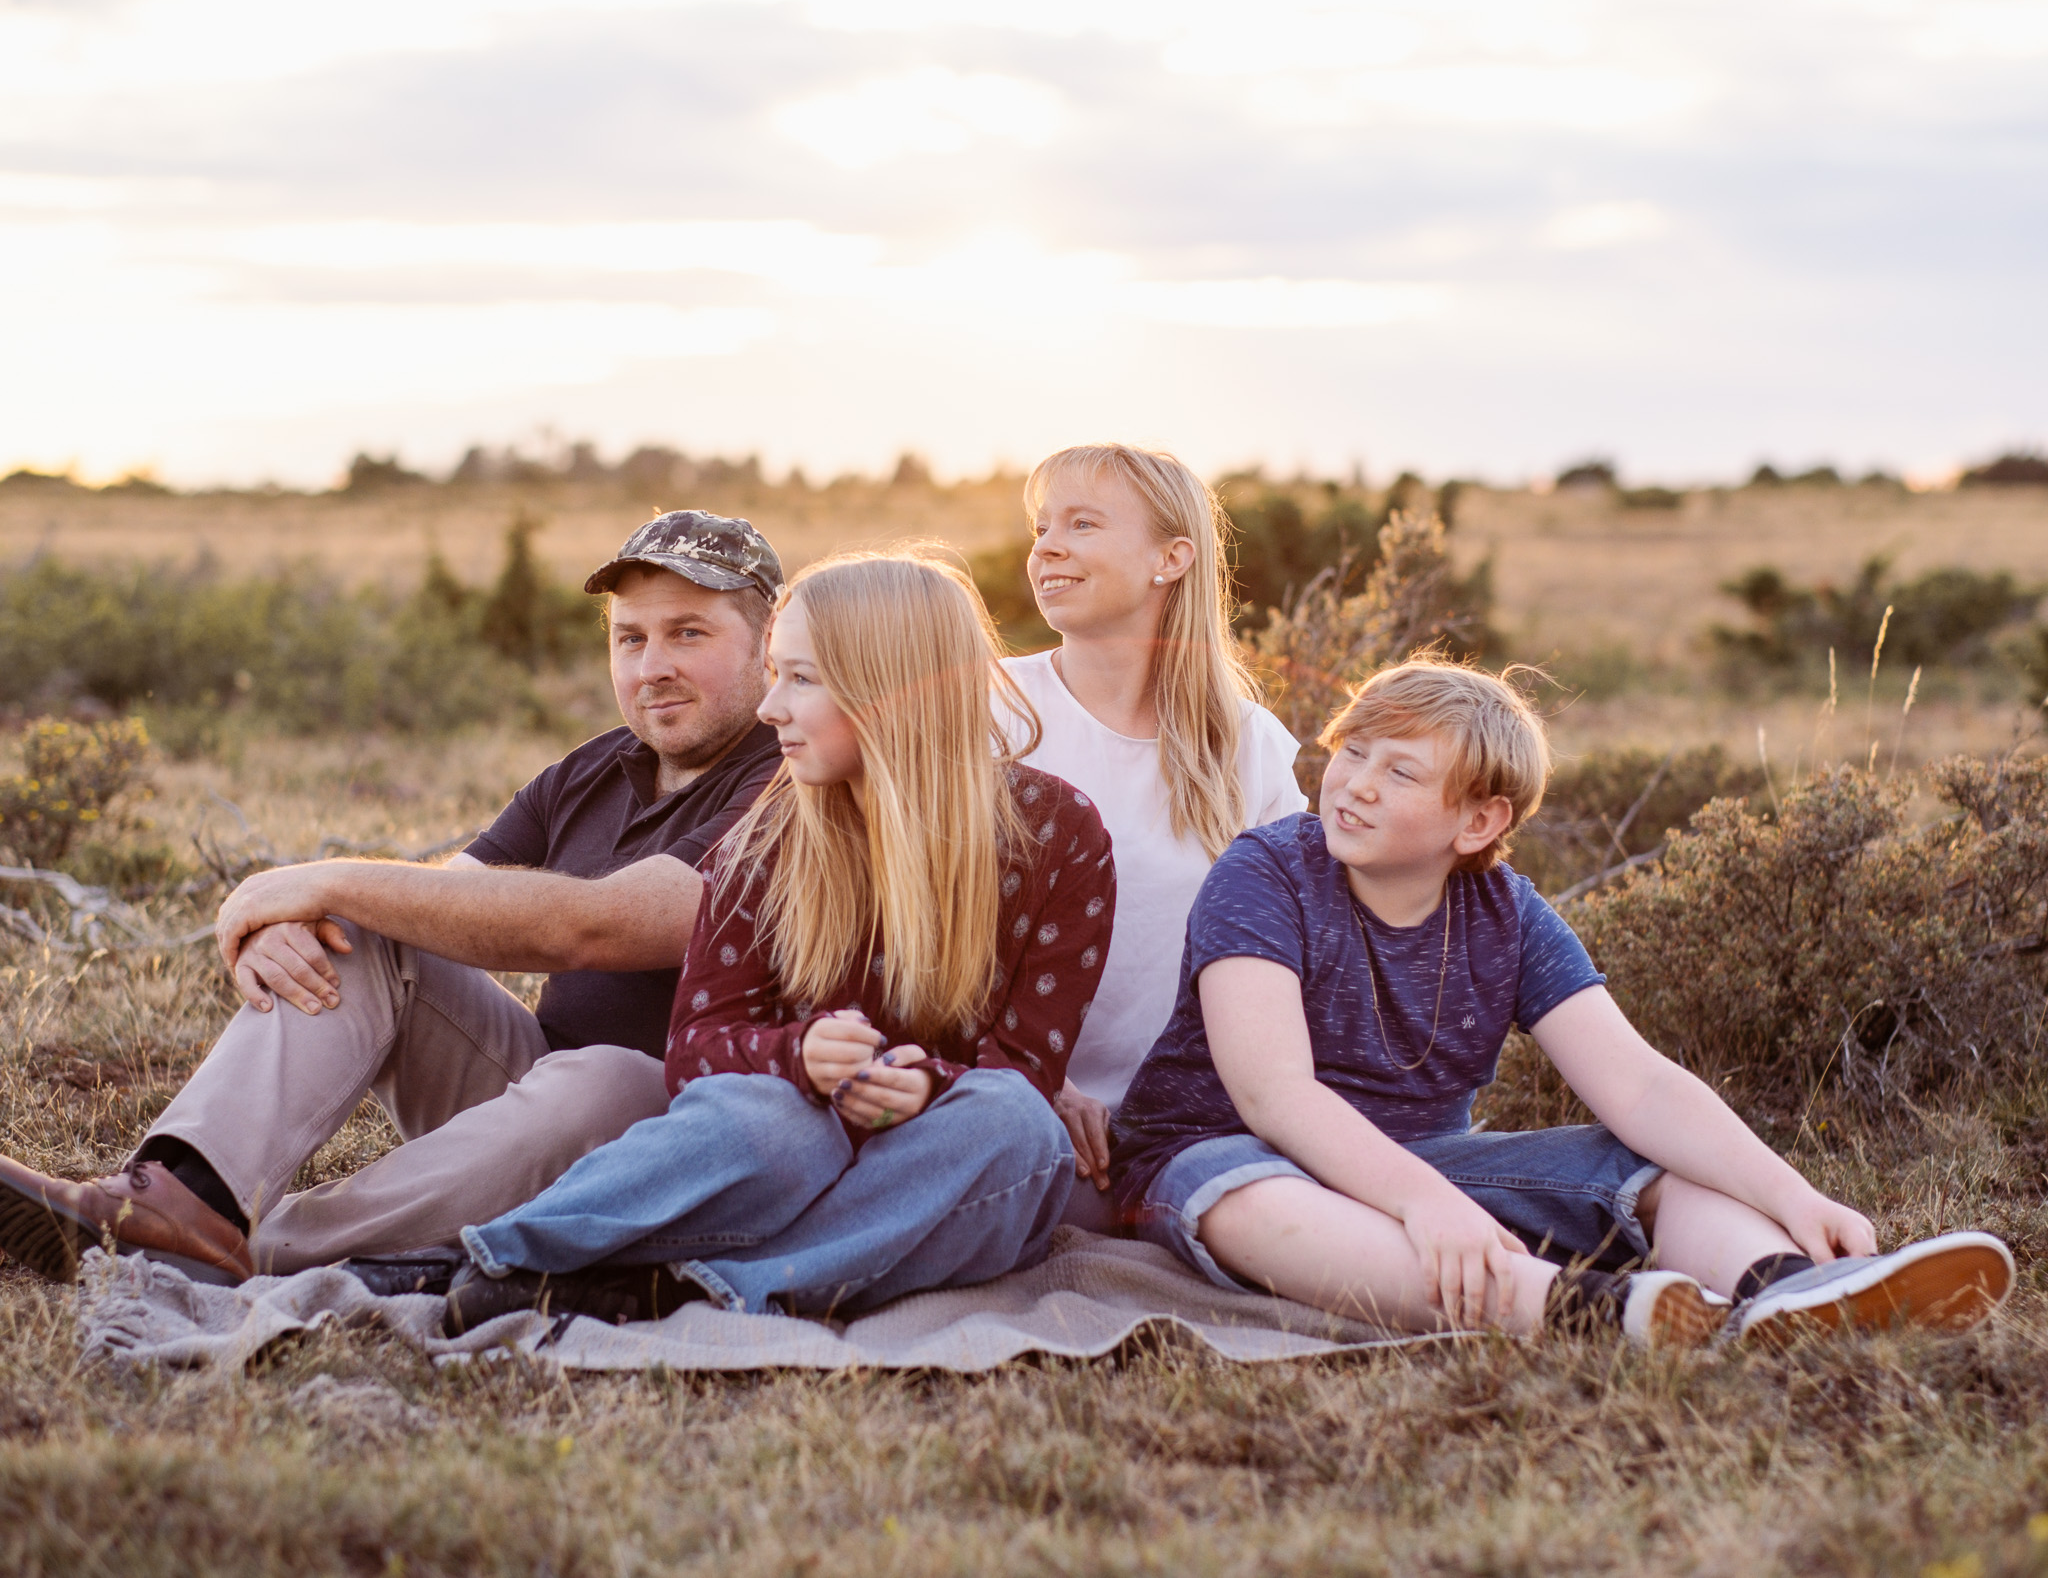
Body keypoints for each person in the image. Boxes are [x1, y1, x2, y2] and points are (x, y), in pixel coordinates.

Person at [1109, 655, 2014, 1345]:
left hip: (1424, 1160)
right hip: (1222, 1159)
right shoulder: (1265, 871)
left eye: (1403, 773)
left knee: (1646, 1165)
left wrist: (1793, 1192)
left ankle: (1789, 1290)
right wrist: (1426, 1204)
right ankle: (1590, 1311)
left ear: (1479, 822)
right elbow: (1275, 1095)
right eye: (1353, 750)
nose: (1356, 783)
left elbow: (1640, 1088)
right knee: (1257, 1204)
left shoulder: (1507, 914)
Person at [0, 511, 786, 1284]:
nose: (652, 667)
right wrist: (300, 919)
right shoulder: (592, 769)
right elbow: (444, 902)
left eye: (689, 633)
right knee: (367, 931)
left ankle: (266, 1247)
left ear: (769, 643)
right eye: (630, 638)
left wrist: (328, 878)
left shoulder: (790, 777)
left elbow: (602, 929)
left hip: (688, 1139)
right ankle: (186, 1197)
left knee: (607, 1076)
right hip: (541, 1101)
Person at [439, 551, 1116, 1330]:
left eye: (801, 678)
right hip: (794, 1140)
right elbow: (695, 1044)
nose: (769, 709)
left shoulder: (1057, 836)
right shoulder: (770, 830)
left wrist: (926, 1084)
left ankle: (694, 1288)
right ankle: (509, 1256)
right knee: (768, 1113)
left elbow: (1027, 1069)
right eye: (774, 673)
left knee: (1015, 1129)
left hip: (937, 1155)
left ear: (889, 689)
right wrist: (801, 1059)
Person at [997, 444, 1304, 1229]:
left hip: (1195, 1124)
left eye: (1083, 524)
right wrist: (1033, 1082)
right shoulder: (989, 711)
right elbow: (918, 931)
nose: (1047, 547)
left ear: (1172, 558)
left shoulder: (1249, 744)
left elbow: (1300, 948)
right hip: (1013, 1105)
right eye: (1042, 527)